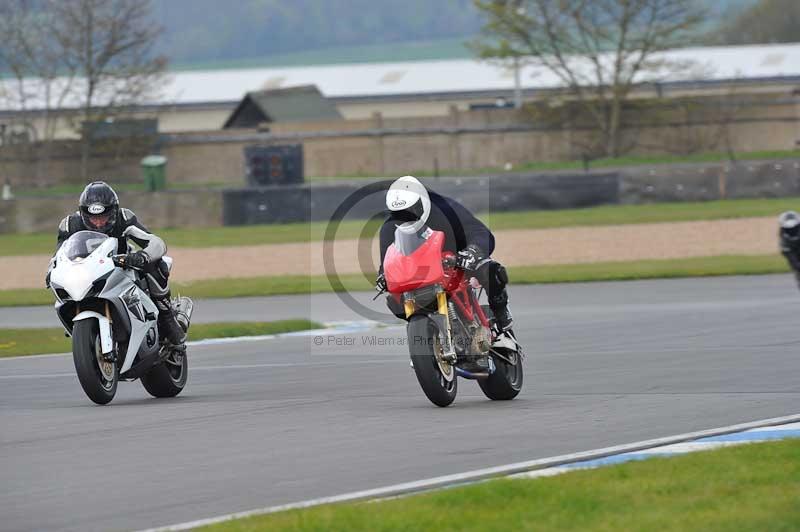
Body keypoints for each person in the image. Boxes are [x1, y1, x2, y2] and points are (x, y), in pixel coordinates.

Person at [46, 181, 187, 348]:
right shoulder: (70, 225)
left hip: (123, 268)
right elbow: (59, 255)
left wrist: (142, 256)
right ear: (84, 214)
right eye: (93, 218)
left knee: (157, 263)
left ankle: (168, 317)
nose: (98, 223)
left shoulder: (124, 218)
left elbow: (157, 243)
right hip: (90, 273)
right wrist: (51, 272)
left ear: (113, 212)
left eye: (103, 217)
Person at [376, 175, 514, 336]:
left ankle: (501, 313)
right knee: (395, 302)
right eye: (398, 213)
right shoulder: (389, 228)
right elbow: (388, 261)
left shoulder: (447, 209)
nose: (406, 217)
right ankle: (426, 338)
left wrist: (473, 251)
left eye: (410, 211)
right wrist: (383, 276)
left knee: (490, 270)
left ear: (423, 201)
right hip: (423, 269)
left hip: (458, 258)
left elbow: (479, 231)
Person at [779, 210, 800, 287]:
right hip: (795, 257)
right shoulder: (784, 242)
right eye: (789, 229)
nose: (792, 230)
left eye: (794, 228)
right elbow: (793, 260)